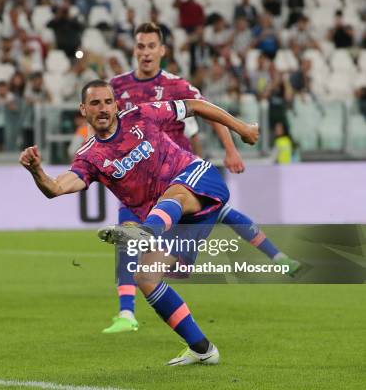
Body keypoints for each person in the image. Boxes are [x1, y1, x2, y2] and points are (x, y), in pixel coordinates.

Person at [20, 79, 259, 365]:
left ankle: (146, 232)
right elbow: (56, 188)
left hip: (198, 180)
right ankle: (202, 348)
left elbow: (194, 106)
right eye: (95, 103)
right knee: (145, 278)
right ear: (83, 110)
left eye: (108, 101)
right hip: (178, 220)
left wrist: (241, 127)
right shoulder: (89, 157)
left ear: (116, 103)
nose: (103, 108)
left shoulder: (142, 115)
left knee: (175, 194)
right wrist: (36, 171)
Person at [106, 22, 300, 334]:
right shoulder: (115, 87)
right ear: (134, 49)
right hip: (138, 179)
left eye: (151, 46)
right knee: (127, 233)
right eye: (140, 46)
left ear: (162, 50)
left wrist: (230, 149)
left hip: (178, 173)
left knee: (222, 212)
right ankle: (126, 314)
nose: (144, 52)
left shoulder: (177, 85)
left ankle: (278, 256)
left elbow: (206, 110)